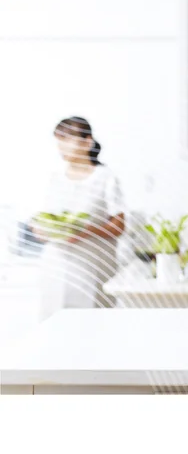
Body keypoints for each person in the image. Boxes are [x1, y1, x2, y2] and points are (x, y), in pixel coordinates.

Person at [32, 117, 126, 317]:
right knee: (54, 322)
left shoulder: (105, 178)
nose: (61, 147)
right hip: (56, 267)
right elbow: (40, 220)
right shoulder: (54, 178)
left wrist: (87, 231)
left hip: (93, 266)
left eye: (67, 140)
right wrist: (42, 230)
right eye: (59, 141)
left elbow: (119, 226)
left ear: (87, 142)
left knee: (92, 323)